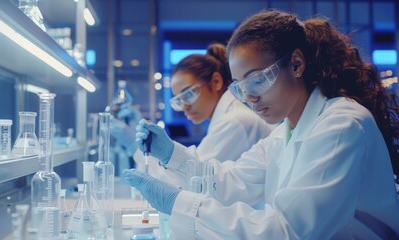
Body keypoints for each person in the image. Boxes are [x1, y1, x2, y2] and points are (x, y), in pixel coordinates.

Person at [124, 10, 399, 239]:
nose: (251, 98)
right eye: (241, 88)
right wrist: (171, 155)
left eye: (257, 80)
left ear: (295, 64)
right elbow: (232, 183)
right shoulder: (285, 132)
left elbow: (288, 231)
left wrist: (178, 203)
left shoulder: (342, 125)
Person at [115, 43, 272, 188]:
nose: (184, 106)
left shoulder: (234, 122)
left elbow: (186, 183)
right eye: (178, 101)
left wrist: (135, 148)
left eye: (188, 94)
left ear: (216, 81)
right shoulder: (229, 117)